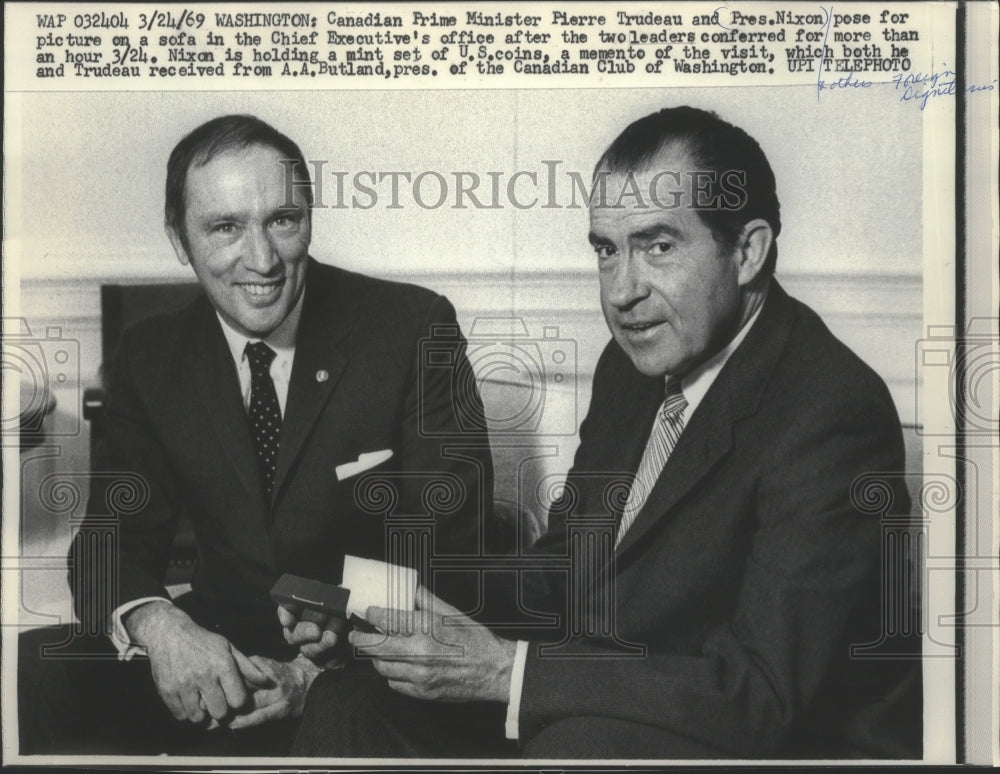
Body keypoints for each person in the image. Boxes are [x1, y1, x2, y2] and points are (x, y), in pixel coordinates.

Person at [288, 106, 922, 759]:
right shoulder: (633, 367)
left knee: (569, 746)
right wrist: (388, 604)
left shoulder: (830, 409)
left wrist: (510, 671)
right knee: (352, 704)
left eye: (659, 246)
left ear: (748, 250)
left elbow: (759, 694)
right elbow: (562, 573)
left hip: (766, 744)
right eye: (606, 251)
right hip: (602, 710)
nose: (621, 291)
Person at [18, 114, 495, 755]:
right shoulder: (151, 356)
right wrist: (162, 627)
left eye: (282, 220)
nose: (263, 260)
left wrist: (320, 662)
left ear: (310, 218)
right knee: (44, 666)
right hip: (225, 654)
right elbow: (108, 542)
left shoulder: (412, 328)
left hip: (371, 662)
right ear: (180, 241)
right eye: (224, 228)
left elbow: (453, 552)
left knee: (342, 714)